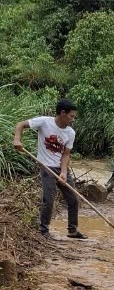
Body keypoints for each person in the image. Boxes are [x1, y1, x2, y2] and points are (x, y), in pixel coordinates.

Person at [13, 98, 87, 240]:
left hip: (60, 168)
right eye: (71, 116)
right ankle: (44, 230)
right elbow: (20, 124)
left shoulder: (70, 133)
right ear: (62, 113)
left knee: (73, 199)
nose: (73, 119)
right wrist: (17, 139)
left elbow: (66, 155)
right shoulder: (44, 121)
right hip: (46, 167)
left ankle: (72, 230)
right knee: (49, 198)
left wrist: (64, 173)